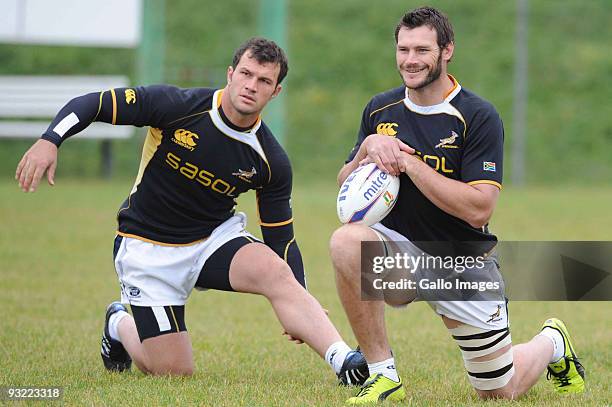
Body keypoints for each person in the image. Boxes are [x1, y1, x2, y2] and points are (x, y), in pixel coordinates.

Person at [15, 37, 369, 386]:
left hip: (211, 241)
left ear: (275, 92)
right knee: (174, 371)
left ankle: (345, 362)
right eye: (246, 74)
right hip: (146, 247)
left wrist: (301, 296)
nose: (251, 86)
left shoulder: (270, 160)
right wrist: (51, 139)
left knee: (274, 271)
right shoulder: (176, 106)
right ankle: (118, 323)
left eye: (264, 81)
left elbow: (282, 240)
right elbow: (92, 103)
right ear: (230, 74)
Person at [329, 7, 585, 404]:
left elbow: (480, 209)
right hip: (399, 252)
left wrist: (410, 164)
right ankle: (382, 374)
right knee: (346, 241)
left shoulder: (477, 116)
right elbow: (346, 195)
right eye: (403, 49)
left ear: (446, 50)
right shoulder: (380, 110)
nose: (410, 60)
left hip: (460, 260)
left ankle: (551, 343)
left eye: (421, 50)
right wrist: (367, 148)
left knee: (501, 390)